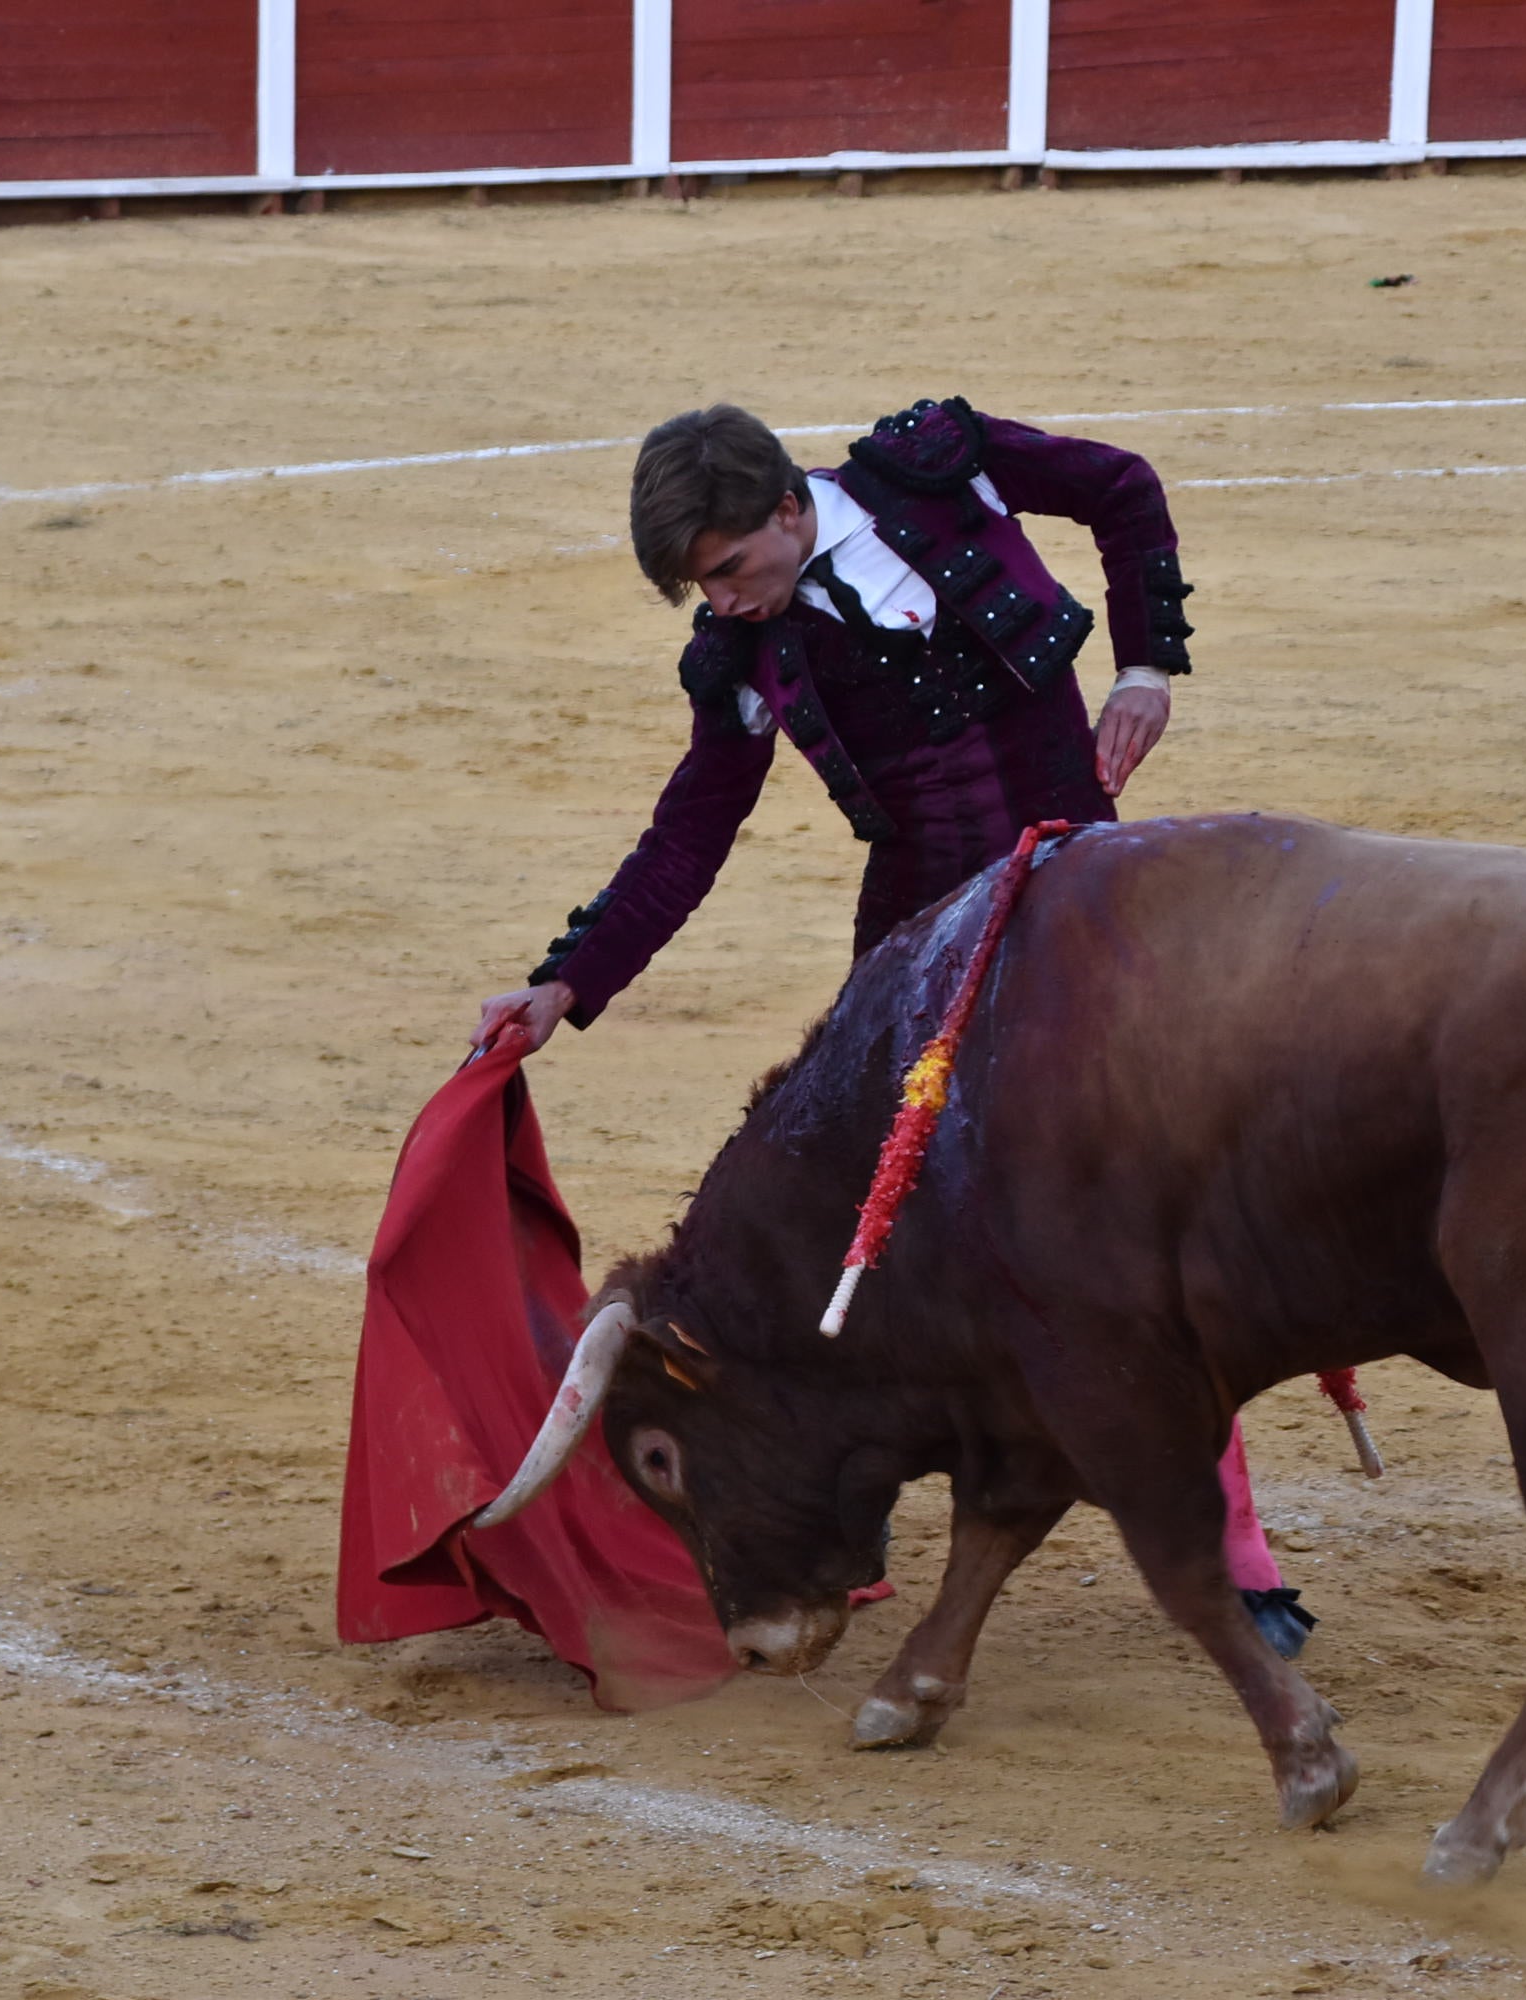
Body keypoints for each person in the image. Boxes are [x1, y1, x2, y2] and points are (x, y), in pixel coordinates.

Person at [469, 396, 1316, 1662]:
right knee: (891, 1232)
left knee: (1133, 1225)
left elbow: (1123, 486)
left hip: (1088, 917)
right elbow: (689, 833)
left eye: (733, 570)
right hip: (923, 958)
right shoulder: (742, 658)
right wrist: (567, 982)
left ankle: (1233, 1553)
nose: (727, 603)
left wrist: (1147, 666)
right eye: (701, 589)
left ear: (789, 507)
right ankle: (820, 1503)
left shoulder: (938, 469)